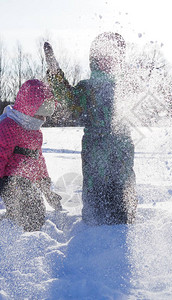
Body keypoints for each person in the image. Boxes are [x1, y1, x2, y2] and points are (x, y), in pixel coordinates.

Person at [44, 32, 137, 225]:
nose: (107, 61)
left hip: (121, 152)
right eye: (101, 56)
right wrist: (55, 74)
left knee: (123, 207)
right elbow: (68, 101)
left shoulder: (126, 86)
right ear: (94, 60)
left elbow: (155, 96)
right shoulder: (87, 88)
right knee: (95, 207)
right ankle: (90, 241)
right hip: (94, 152)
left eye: (112, 56)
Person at [0, 79, 62, 231]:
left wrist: (47, 189)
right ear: (29, 107)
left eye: (45, 114)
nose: (43, 119)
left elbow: (38, 160)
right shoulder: (10, 126)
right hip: (8, 180)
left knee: (35, 210)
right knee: (29, 211)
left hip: (26, 180)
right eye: (40, 114)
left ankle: (12, 225)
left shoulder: (36, 132)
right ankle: (12, 233)